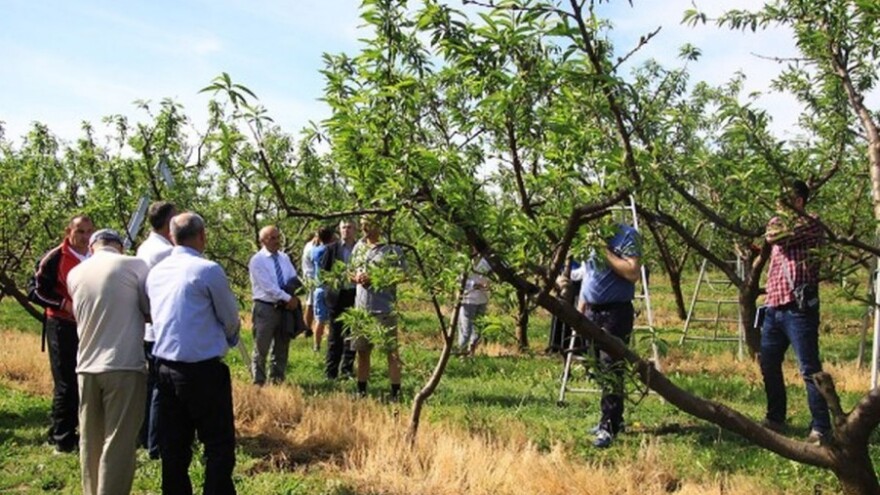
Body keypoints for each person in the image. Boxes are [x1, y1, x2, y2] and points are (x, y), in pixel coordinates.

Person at [147, 212, 240, 494]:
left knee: (174, 446)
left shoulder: (156, 272)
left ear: (172, 237)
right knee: (218, 444)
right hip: (202, 370)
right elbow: (230, 317)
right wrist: (230, 337)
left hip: (164, 368)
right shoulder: (207, 270)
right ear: (202, 236)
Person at [67, 229, 150, 495]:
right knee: (119, 441)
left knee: (90, 440)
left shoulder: (75, 273)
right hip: (124, 363)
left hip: (86, 365)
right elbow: (149, 310)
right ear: (120, 247)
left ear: (92, 247)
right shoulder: (135, 265)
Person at [759, 179, 830, 442]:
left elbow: (775, 236)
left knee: (809, 368)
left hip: (798, 309)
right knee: (768, 363)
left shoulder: (811, 222)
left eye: (785, 199)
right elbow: (772, 234)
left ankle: (821, 427)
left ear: (799, 201)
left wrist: (776, 225)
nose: (779, 205)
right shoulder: (781, 221)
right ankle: (775, 417)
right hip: (774, 306)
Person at [29, 214, 95, 453]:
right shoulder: (55, 257)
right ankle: (63, 439)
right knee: (66, 381)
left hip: (88, 325)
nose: (85, 237)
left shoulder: (95, 256)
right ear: (68, 232)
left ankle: (68, 429)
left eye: (89, 232)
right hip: (61, 325)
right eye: (80, 231)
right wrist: (63, 304)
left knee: (85, 379)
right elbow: (35, 291)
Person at [576, 222, 641, 449]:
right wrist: (580, 310)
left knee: (611, 367)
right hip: (591, 311)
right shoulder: (588, 235)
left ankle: (609, 426)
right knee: (596, 366)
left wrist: (604, 249)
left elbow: (632, 272)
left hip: (615, 312)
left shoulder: (627, 236)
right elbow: (589, 276)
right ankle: (613, 419)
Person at [136, 200, 176, 460]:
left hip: (148, 327)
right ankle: (156, 443)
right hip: (161, 327)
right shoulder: (166, 252)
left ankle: (145, 436)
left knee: (151, 385)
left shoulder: (145, 246)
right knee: (161, 388)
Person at [351, 215, 406, 400]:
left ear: (379, 225)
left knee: (391, 352)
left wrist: (376, 279)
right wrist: (356, 278)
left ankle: (396, 393)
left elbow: (403, 274)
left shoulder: (392, 248)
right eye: (363, 224)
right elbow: (350, 271)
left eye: (369, 224)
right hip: (361, 309)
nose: (365, 228)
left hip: (384, 309)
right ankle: (361, 391)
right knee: (362, 352)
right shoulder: (358, 247)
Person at [248, 225, 299, 385]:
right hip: (266, 307)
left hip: (284, 308)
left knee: (282, 346)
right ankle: (259, 381)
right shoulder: (257, 260)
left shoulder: (284, 258)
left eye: (278, 237)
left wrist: (292, 296)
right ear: (262, 241)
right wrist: (288, 298)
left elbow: (293, 277)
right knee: (261, 346)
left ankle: (277, 380)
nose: (277, 241)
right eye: (272, 238)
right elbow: (268, 287)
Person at [324, 219, 358, 380]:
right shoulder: (331, 249)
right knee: (335, 337)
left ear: (355, 230)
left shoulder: (360, 249)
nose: (346, 230)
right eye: (344, 227)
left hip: (355, 296)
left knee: (352, 335)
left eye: (349, 227)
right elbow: (324, 274)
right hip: (337, 297)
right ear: (339, 229)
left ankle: (347, 370)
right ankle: (331, 372)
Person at [458, 252, 491, 356]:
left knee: (478, 330)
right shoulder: (464, 261)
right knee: (466, 330)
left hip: (482, 299)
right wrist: (474, 284)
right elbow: (458, 281)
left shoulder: (487, 261)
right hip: (468, 300)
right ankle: (462, 354)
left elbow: (490, 278)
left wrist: (489, 285)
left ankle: (471, 353)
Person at [310, 226, 337, 353]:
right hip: (331, 287)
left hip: (319, 287)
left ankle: (316, 346)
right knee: (332, 319)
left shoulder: (314, 251)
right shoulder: (332, 249)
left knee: (319, 319)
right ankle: (331, 344)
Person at [301, 233, 319, 338]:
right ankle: (307, 328)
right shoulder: (311, 247)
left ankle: (308, 328)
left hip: (311, 278)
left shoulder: (310, 245)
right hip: (311, 279)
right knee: (310, 304)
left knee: (311, 303)